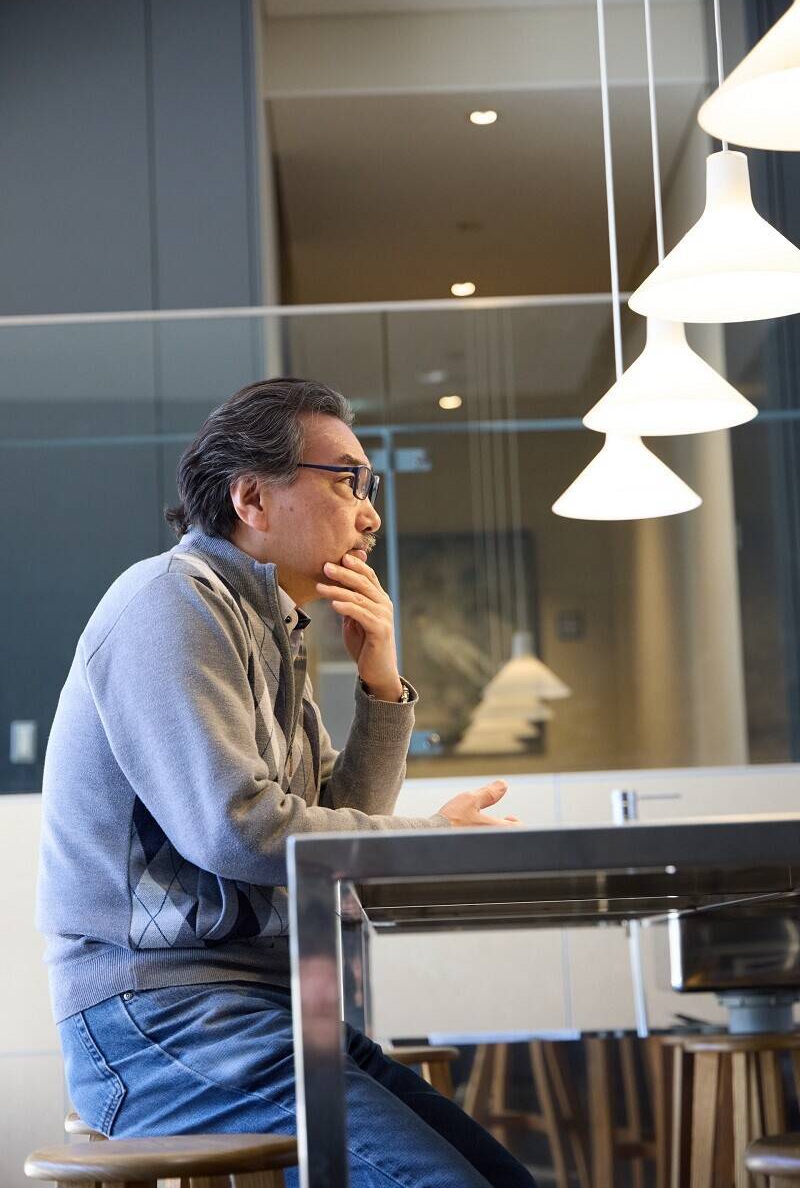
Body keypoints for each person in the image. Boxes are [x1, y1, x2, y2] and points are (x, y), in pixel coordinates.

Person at [37, 377, 535, 1188]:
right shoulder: (170, 602)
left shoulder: (270, 628)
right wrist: (434, 836)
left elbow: (329, 836)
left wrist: (381, 684)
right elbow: (240, 829)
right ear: (252, 498)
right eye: (348, 482)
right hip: (158, 1021)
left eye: (369, 487)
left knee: (502, 1180)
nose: (370, 515)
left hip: (260, 1011)